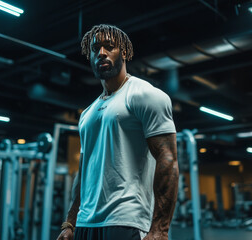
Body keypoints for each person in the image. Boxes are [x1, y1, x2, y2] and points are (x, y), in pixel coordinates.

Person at [57, 24, 179, 240]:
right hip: (86, 223)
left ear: (123, 52)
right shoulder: (87, 113)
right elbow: (84, 169)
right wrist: (70, 222)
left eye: (109, 47)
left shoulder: (145, 95)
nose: (101, 53)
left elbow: (167, 159)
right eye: (95, 49)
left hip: (126, 220)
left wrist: (160, 229)